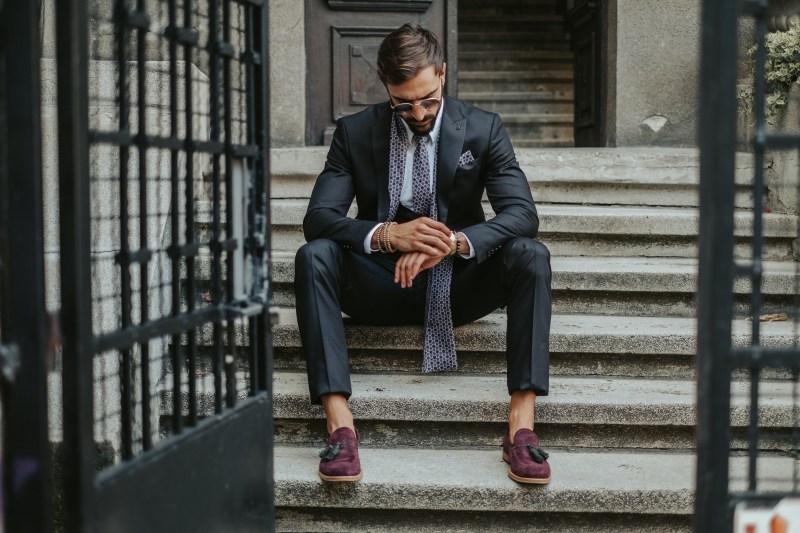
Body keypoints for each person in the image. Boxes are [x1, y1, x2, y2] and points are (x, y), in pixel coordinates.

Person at [294, 23, 552, 484]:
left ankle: (522, 425)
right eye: (403, 103)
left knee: (531, 254)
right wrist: (390, 235)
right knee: (314, 254)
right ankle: (340, 425)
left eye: (428, 99)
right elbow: (319, 218)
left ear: (444, 74)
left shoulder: (483, 128)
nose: (418, 113)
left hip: (458, 285)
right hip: (380, 281)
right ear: (387, 90)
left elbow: (522, 214)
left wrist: (450, 243)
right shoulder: (354, 133)